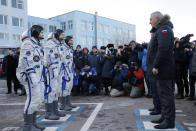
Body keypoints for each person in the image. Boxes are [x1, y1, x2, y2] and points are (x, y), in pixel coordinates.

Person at [147, 11, 175, 129]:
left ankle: (169, 121)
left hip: (163, 69)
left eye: (151, 19)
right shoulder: (160, 29)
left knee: (166, 96)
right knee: (162, 95)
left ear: (157, 18)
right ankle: (164, 116)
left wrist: (156, 66)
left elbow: (163, 49)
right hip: (161, 69)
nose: (149, 22)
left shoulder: (165, 29)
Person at [17, 25, 45, 130]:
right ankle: (28, 125)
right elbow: (26, 59)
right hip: (30, 75)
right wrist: (31, 74)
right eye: (41, 32)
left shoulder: (37, 44)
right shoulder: (28, 43)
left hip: (38, 75)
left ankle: (33, 122)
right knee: (32, 98)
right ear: (36, 32)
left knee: (39, 98)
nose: (43, 34)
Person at [44, 30, 66, 120]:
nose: (63, 36)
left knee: (57, 90)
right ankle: (49, 112)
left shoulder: (60, 45)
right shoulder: (50, 44)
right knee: (51, 90)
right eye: (61, 35)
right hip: (52, 71)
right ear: (57, 35)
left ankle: (55, 110)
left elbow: (61, 57)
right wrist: (53, 68)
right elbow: (48, 57)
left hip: (59, 70)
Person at [59, 36, 77, 111]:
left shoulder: (70, 48)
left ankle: (68, 103)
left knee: (69, 87)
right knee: (65, 87)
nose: (72, 41)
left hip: (70, 70)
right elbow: (62, 60)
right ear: (67, 41)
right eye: (70, 40)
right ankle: (63, 104)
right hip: (65, 71)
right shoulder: (63, 48)